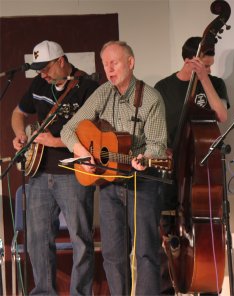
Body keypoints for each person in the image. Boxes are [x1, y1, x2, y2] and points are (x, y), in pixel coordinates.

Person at [60, 40, 168, 295]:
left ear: (130, 63)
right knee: (112, 254)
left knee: (145, 253)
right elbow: (68, 129)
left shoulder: (150, 98)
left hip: (142, 183)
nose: (109, 69)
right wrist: (83, 153)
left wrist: (144, 158)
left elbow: (157, 146)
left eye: (114, 63)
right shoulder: (103, 93)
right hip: (109, 184)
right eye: (105, 64)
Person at [11, 40, 97, 295]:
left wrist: (55, 141)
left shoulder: (87, 88)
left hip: (73, 175)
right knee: (37, 240)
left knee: (80, 240)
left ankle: (80, 293)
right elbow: (18, 113)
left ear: (61, 61)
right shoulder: (39, 84)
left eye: (46, 68)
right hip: (38, 174)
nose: (42, 74)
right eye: (38, 69)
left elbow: (95, 135)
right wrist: (19, 135)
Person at [154, 36, 230, 294]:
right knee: (167, 232)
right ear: (188, 61)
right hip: (169, 167)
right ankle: (168, 286)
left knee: (202, 230)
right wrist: (161, 145)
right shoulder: (163, 87)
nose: (209, 70)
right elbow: (155, 126)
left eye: (210, 66)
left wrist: (205, 79)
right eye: (204, 66)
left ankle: (204, 282)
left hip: (199, 169)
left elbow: (221, 115)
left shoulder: (215, 83)